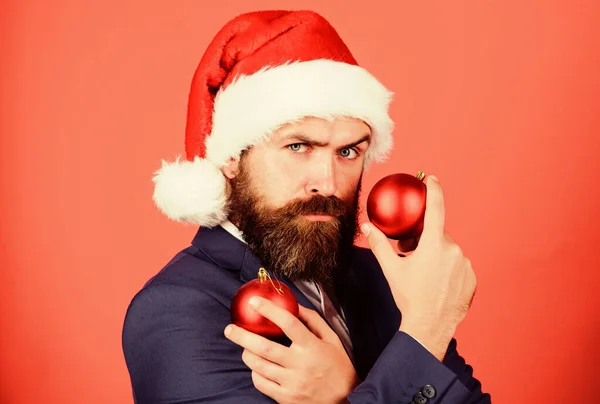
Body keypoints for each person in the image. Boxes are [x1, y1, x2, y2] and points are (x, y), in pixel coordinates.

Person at [122, 9, 491, 404]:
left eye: (348, 151)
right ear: (231, 156)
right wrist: (425, 331)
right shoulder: (175, 311)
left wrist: (348, 393)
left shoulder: (380, 279)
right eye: (298, 146)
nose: (328, 183)